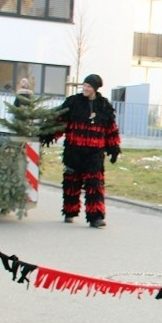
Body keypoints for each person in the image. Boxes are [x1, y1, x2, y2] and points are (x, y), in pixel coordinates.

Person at [49, 74, 121, 228]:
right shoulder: (73, 102)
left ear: (95, 88)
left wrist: (113, 148)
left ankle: (96, 217)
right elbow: (59, 121)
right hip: (74, 150)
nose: (85, 89)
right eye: (84, 85)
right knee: (72, 182)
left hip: (94, 153)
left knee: (95, 183)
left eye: (89, 86)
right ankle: (70, 211)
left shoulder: (104, 106)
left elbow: (111, 129)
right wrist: (47, 134)